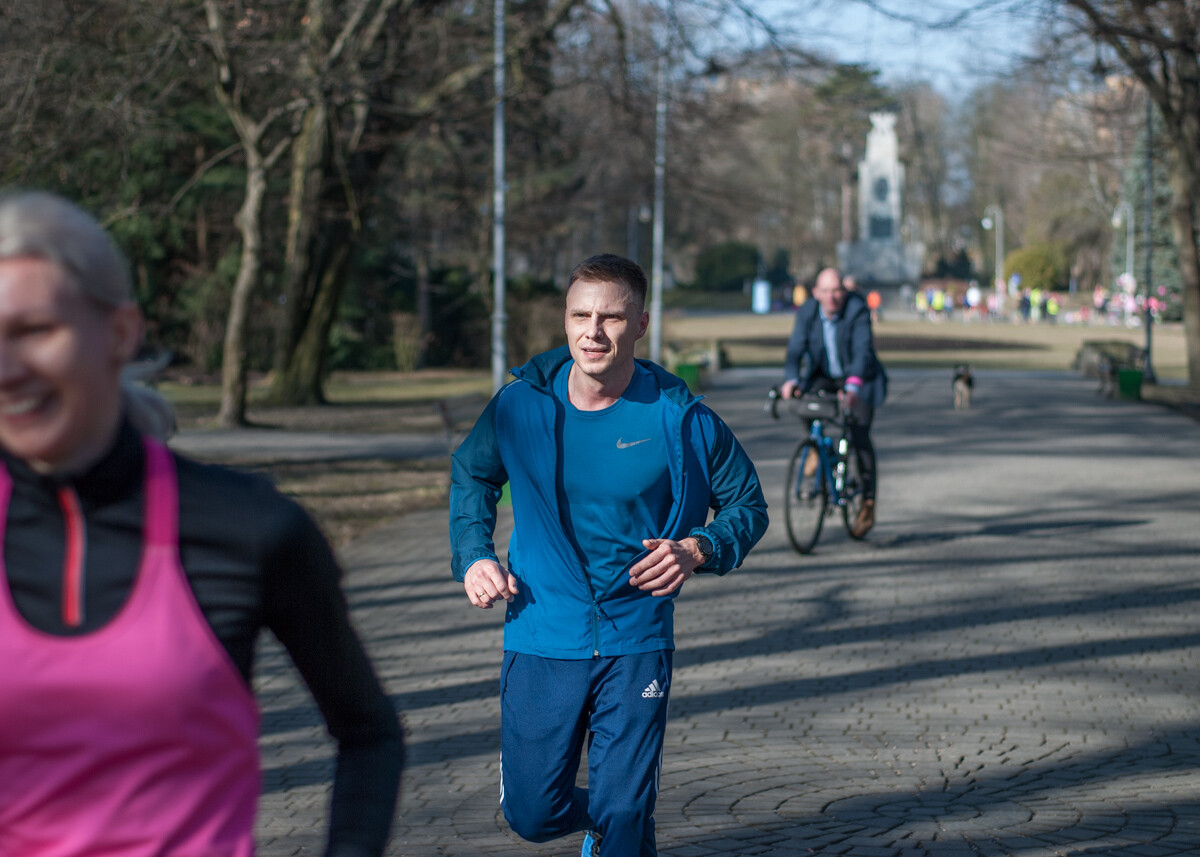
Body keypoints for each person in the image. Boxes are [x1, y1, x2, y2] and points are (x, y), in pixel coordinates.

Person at [0, 190, 403, 856]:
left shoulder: (248, 526)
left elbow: (368, 731)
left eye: (35, 330)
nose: (8, 369)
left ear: (121, 333)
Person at [449, 253, 768, 857]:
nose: (593, 332)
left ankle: (621, 831)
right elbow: (472, 474)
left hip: (636, 638)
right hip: (542, 630)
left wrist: (700, 547)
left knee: (625, 811)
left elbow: (747, 505)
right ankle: (617, 828)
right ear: (565, 320)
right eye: (580, 315)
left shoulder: (680, 419)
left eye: (611, 318)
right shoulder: (521, 406)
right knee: (533, 814)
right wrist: (473, 555)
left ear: (641, 325)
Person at [780, 267, 887, 538]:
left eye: (837, 290)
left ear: (844, 291)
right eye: (825, 291)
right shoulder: (807, 312)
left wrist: (852, 386)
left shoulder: (857, 309)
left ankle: (867, 501)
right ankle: (814, 446)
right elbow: (795, 349)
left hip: (860, 378)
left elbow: (863, 351)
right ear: (816, 293)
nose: (832, 297)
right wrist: (791, 379)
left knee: (859, 435)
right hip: (824, 376)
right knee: (804, 401)